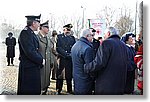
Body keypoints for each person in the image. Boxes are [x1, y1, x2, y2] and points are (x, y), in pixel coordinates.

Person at [84, 27, 128, 95]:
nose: (103, 36)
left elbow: (99, 63)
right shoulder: (123, 45)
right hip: (120, 84)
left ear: (108, 33)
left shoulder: (107, 43)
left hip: (106, 85)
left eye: (104, 34)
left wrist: (87, 67)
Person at [17, 14, 44, 95]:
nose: (39, 25)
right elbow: (30, 52)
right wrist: (41, 60)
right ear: (33, 23)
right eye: (38, 23)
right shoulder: (25, 33)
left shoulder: (31, 33)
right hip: (28, 68)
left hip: (32, 66)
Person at [71, 29, 95, 95]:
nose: (93, 37)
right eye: (91, 35)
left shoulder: (75, 45)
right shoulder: (87, 48)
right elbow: (89, 67)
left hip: (76, 78)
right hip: (85, 80)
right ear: (87, 36)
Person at [56, 24, 76, 95]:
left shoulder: (72, 38)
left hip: (69, 59)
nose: (68, 31)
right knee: (60, 75)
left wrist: (70, 54)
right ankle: (58, 89)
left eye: (69, 30)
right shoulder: (59, 37)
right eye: (67, 29)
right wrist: (66, 54)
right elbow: (58, 48)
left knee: (69, 75)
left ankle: (69, 90)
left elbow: (74, 47)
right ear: (63, 29)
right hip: (61, 58)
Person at [37, 20, 53, 95]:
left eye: (48, 27)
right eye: (46, 27)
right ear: (41, 28)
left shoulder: (48, 39)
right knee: (40, 83)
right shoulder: (36, 38)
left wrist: (52, 62)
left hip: (47, 65)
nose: (48, 29)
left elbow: (50, 52)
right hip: (40, 65)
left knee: (46, 83)